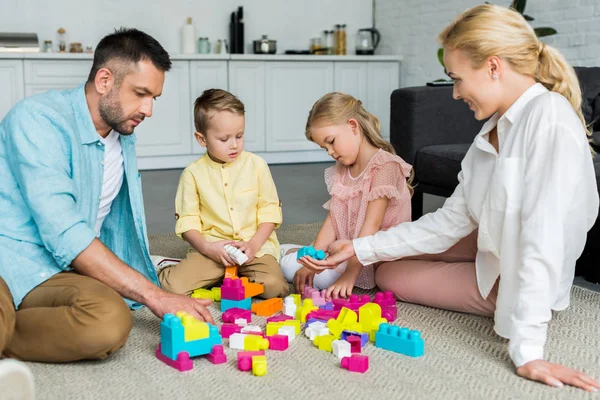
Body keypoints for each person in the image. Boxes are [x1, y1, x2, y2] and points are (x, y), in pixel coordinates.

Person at [299, 5, 600, 392]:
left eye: (457, 79)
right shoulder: (489, 134)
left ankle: (493, 295)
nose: (456, 94)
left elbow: (542, 241)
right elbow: (449, 221)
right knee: (385, 258)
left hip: (517, 271)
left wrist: (528, 350)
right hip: (491, 240)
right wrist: (360, 246)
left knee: (389, 275)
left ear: (493, 66)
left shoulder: (550, 121)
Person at [0, 28, 214, 363]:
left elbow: (112, 226)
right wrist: (154, 295)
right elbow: (64, 230)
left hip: (60, 270)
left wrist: (137, 280)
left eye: (153, 98)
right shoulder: (37, 119)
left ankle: (7, 333)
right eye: (140, 93)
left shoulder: (122, 135)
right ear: (104, 80)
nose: (148, 109)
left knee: (110, 321)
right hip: (10, 262)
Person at [157, 89, 289, 299]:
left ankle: (225, 277)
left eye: (239, 135)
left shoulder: (257, 166)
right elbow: (188, 222)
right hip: (212, 248)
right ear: (202, 139)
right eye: (224, 139)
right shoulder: (192, 174)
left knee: (275, 288)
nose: (234, 144)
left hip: (254, 247)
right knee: (172, 287)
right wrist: (208, 248)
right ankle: (166, 265)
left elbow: (269, 212)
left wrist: (253, 245)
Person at [280, 92, 413, 299]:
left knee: (316, 278)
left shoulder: (385, 166)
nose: (331, 152)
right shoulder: (343, 169)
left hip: (373, 254)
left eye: (331, 142)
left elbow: (370, 228)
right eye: (325, 148)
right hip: (346, 250)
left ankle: (280, 253)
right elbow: (333, 219)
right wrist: (311, 259)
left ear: (353, 126)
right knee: (304, 268)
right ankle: (282, 252)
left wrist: (350, 275)